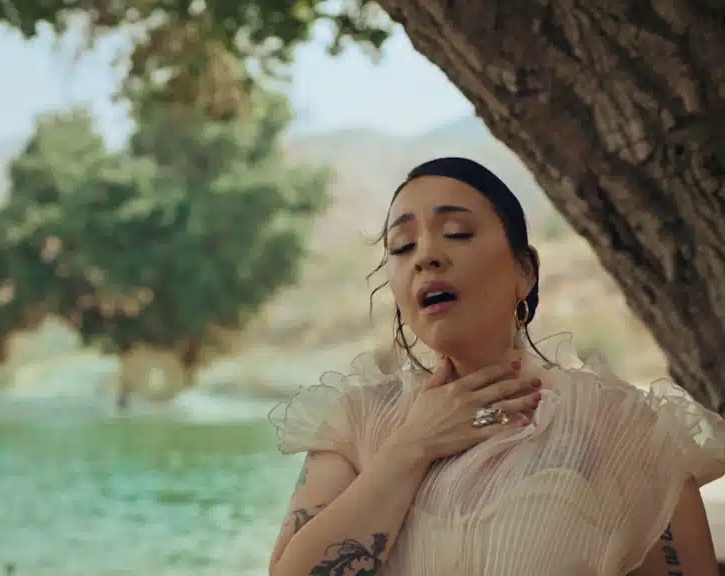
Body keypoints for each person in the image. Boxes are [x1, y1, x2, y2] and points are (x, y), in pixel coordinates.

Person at [266, 157, 725, 575]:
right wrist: (412, 446)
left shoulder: (627, 431)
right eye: (402, 246)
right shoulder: (357, 422)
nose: (425, 256)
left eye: (456, 233)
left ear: (524, 271)